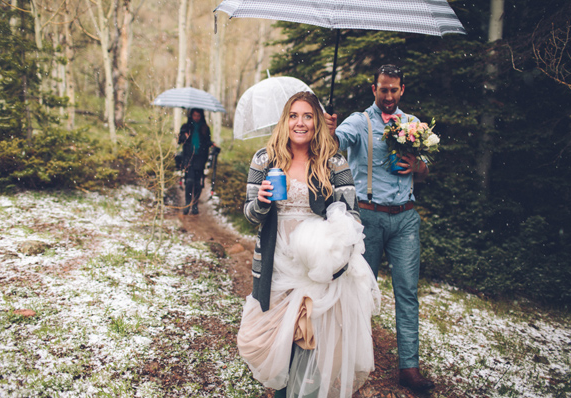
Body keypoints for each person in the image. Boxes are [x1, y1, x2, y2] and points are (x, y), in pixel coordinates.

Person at [237, 91, 381, 398]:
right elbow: (250, 214)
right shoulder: (264, 159)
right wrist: (261, 202)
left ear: (318, 122)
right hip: (276, 262)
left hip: (317, 263)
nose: (299, 123)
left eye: (307, 116)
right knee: (276, 338)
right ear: (284, 121)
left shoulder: (333, 162)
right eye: (293, 116)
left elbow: (352, 215)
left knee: (311, 339)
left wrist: (331, 239)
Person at [326, 64, 434, 391]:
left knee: (406, 292)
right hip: (368, 217)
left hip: (405, 218)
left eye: (394, 89)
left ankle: (409, 368)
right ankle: (352, 364)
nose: (388, 95)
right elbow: (335, 143)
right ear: (374, 89)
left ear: (402, 89)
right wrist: (328, 129)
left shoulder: (413, 124)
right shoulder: (359, 122)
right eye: (383, 89)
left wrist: (418, 166)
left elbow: (427, 168)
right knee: (358, 292)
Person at [177, 108, 212, 215]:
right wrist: (184, 136)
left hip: (200, 158)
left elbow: (207, 142)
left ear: (201, 116)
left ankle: (195, 205)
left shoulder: (205, 128)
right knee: (189, 181)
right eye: (194, 115)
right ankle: (187, 204)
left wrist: (212, 144)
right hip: (188, 158)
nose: (196, 118)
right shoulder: (186, 127)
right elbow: (180, 140)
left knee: (197, 182)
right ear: (191, 116)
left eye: (198, 116)